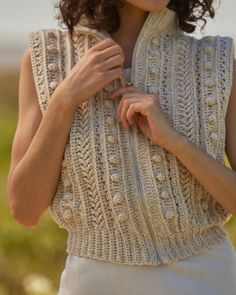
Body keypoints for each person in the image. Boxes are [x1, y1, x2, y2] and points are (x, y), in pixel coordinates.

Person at [7, 0, 236, 294]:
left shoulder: (215, 62)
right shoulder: (46, 58)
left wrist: (176, 142)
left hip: (209, 281)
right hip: (95, 284)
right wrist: (64, 100)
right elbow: (25, 210)